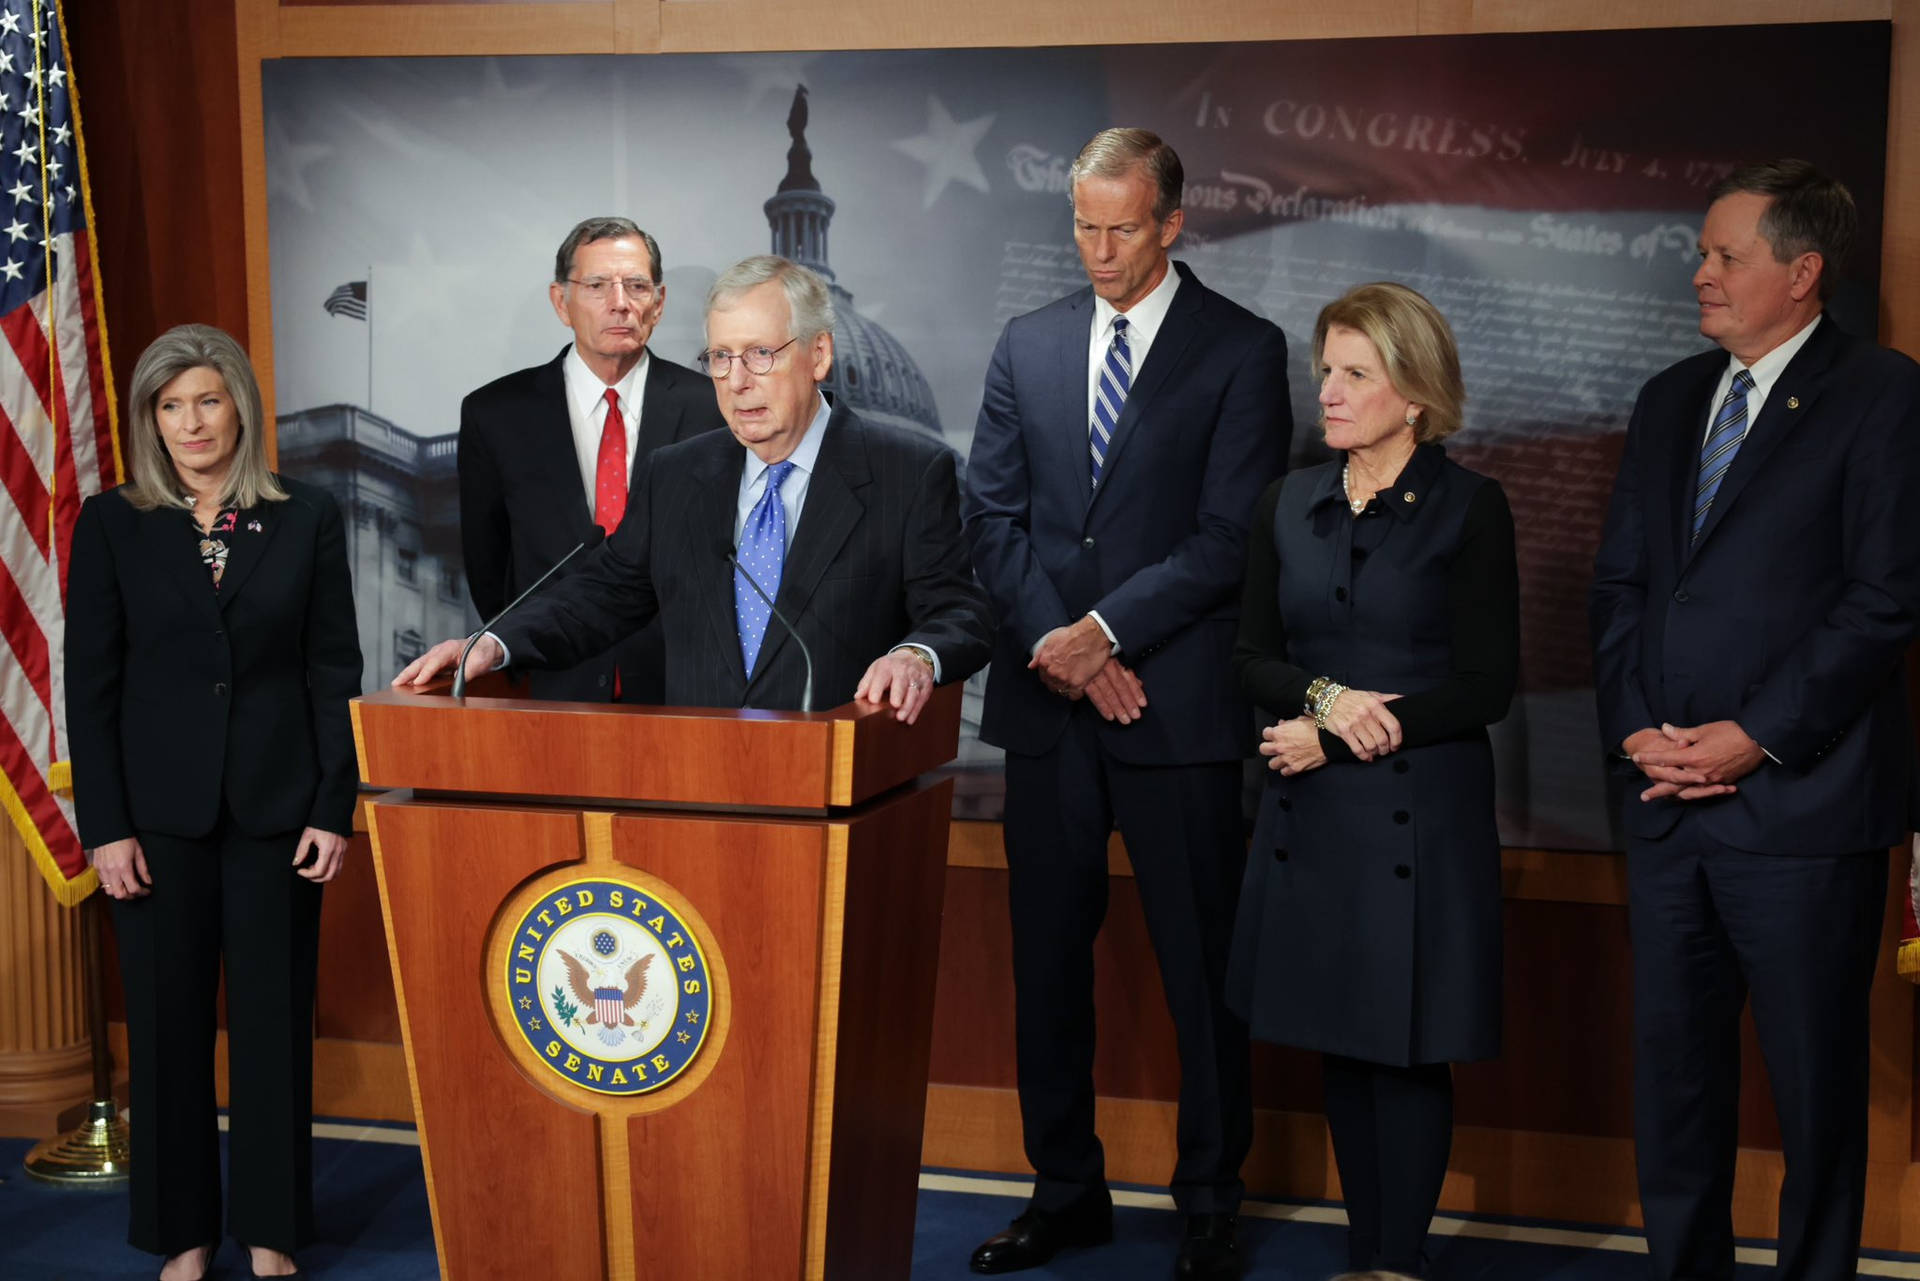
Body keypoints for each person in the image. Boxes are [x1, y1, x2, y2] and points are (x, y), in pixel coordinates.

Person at [962, 127, 1291, 1280]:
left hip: (1176, 708)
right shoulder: (1029, 341)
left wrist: (1103, 634)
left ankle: (1210, 1199)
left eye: (1120, 228)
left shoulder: (1243, 351)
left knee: (1201, 972)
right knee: (1047, 968)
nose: (1097, 249)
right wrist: (1065, 647)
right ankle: (1065, 1192)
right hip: (1052, 711)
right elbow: (991, 520)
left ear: (1171, 224)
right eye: (1082, 226)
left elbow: (1228, 537)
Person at [1590, 159, 1920, 1281]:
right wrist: (1640, 729)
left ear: (1803, 272)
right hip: (1666, 805)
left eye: (1729, 256)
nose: (1702, 275)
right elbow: (1624, 591)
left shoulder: (1882, 394)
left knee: (1814, 1088)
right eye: (1705, 252)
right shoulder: (1670, 399)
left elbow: (1885, 601)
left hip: (1798, 810)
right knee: (1676, 1083)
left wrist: (1753, 737)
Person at [1224, 282, 1519, 1277]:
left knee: (1405, 1045)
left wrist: (1340, 733)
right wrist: (1320, 698)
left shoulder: (1472, 509)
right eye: (1326, 372)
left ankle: (1397, 1261)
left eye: (1357, 374)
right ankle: (1366, 1256)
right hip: (1313, 816)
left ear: (1418, 394)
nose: (1331, 393)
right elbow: (1251, 656)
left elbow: (1486, 685)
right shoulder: (1287, 502)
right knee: (1339, 1040)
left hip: (1419, 817)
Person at [65, 324, 363, 1281]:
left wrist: (333, 805)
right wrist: (104, 826)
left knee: (274, 1029)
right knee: (164, 1031)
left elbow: (332, 670)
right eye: (169, 405)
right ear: (152, 419)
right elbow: (90, 687)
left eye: (207, 399)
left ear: (240, 404)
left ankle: (272, 1234)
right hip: (154, 821)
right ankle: (181, 1238)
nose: (190, 422)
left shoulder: (308, 516)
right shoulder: (112, 524)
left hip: (279, 813)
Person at [395, 254, 991, 718]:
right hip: (699, 791)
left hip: (839, 795)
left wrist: (917, 655)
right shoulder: (678, 473)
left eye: (761, 354)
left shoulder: (907, 473)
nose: (736, 381)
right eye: (721, 358)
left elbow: (958, 611)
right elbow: (603, 594)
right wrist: (495, 643)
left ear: (818, 355)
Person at [458, 216, 725, 704]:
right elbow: (489, 569)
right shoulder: (495, 414)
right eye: (597, 285)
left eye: (637, 286)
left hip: (685, 691)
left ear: (659, 303)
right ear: (562, 302)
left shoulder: (715, 408)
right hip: (550, 688)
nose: (619, 303)